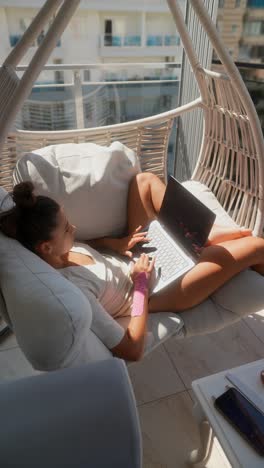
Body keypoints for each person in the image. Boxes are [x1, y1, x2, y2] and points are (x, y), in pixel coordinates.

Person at [1, 174, 264, 362]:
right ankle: (202, 241)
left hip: (136, 257)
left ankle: (199, 237)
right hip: (156, 291)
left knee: (144, 181)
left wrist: (116, 243)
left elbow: (86, 242)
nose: (74, 228)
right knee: (255, 246)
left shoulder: (62, 250)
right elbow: (131, 350)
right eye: (67, 227)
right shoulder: (75, 291)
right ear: (46, 247)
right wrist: (140, 283)